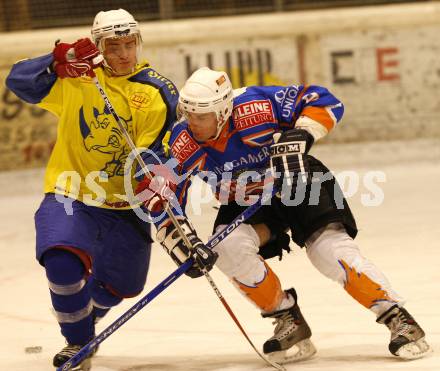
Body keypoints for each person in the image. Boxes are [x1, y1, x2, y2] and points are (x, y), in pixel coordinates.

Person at [137, 67, 432, 364]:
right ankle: (287, 317)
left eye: (201, 117)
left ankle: (398, 318)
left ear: (224, 110)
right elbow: (163, 192)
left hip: (299, 182)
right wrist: (181, 240)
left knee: (328, 251)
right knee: (225, 248)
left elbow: (325, 101)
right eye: (189, 115)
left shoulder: (257, 105)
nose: (193, 123)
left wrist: (300, 134)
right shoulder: (182, 139)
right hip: (245, 198)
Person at [5, 9, 217, 371]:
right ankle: (78, 341)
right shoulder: (77, 77)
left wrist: (170, 214)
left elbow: (160, 160)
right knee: (60, 259)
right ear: (99, 46)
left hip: (126, 206)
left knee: (120, 287)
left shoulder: (156, 91)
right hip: (71, 192)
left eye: (129, 44)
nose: (122, 54)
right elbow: (17, 80)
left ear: (139, 43)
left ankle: (83, 322)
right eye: (113, 46)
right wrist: (58, 61)